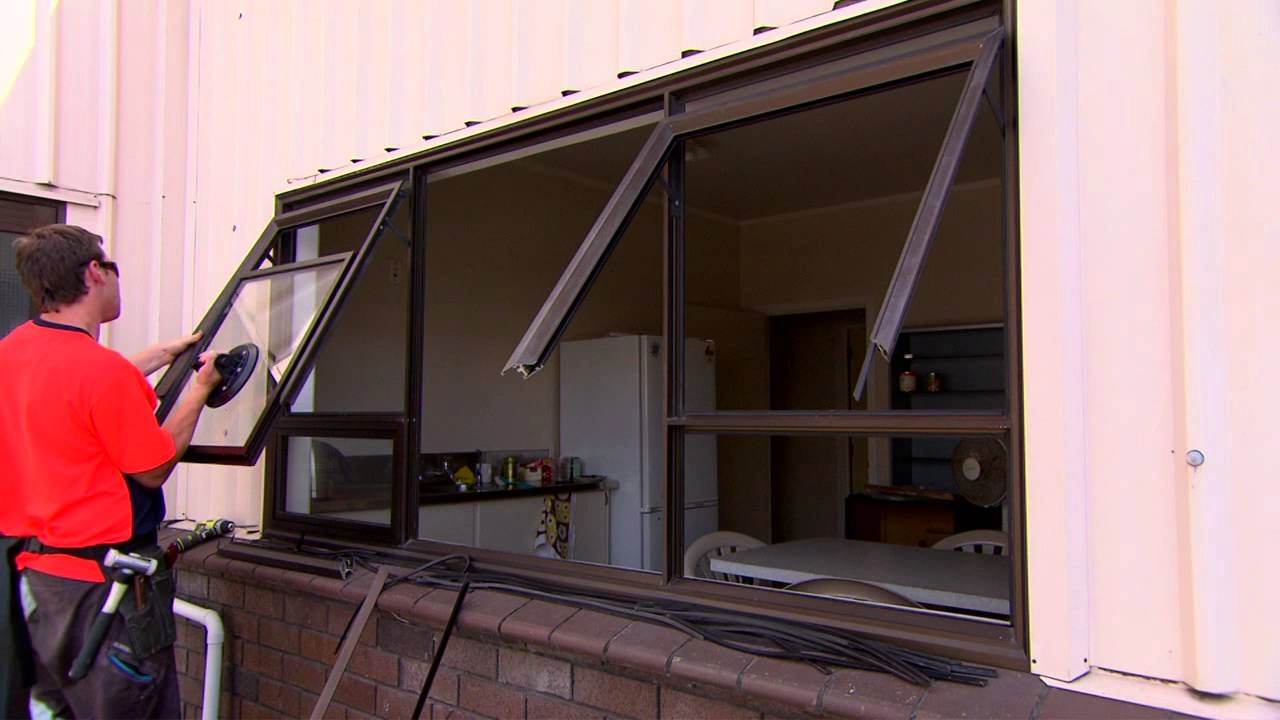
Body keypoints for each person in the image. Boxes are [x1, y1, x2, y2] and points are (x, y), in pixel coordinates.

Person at [0, 224, 222, 719]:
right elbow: (154, 466)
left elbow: (69, 390)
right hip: (106, 592)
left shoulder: (11, 352)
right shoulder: (103, 373)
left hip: (39, 583)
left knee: (55, 710)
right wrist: (200, 390)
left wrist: (162, 356)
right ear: (95, 273)